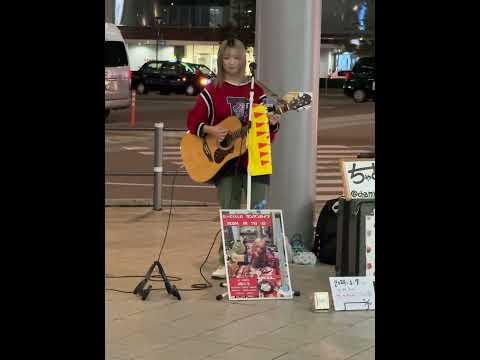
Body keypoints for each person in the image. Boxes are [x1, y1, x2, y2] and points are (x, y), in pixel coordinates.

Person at [186, 39, 281, 279]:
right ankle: (227, 261)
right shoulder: (212, 91)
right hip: (225, 161)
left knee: (257, 211)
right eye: (227, 58)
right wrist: (211, 130)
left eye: (236, 58)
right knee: (229, 210)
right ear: (220, 60)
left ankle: (258, 261)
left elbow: (271, 122)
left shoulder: (258, 90)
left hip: (256, 158)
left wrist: (274, 121)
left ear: (244, 60)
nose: (231, 63)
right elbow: (193, 122)